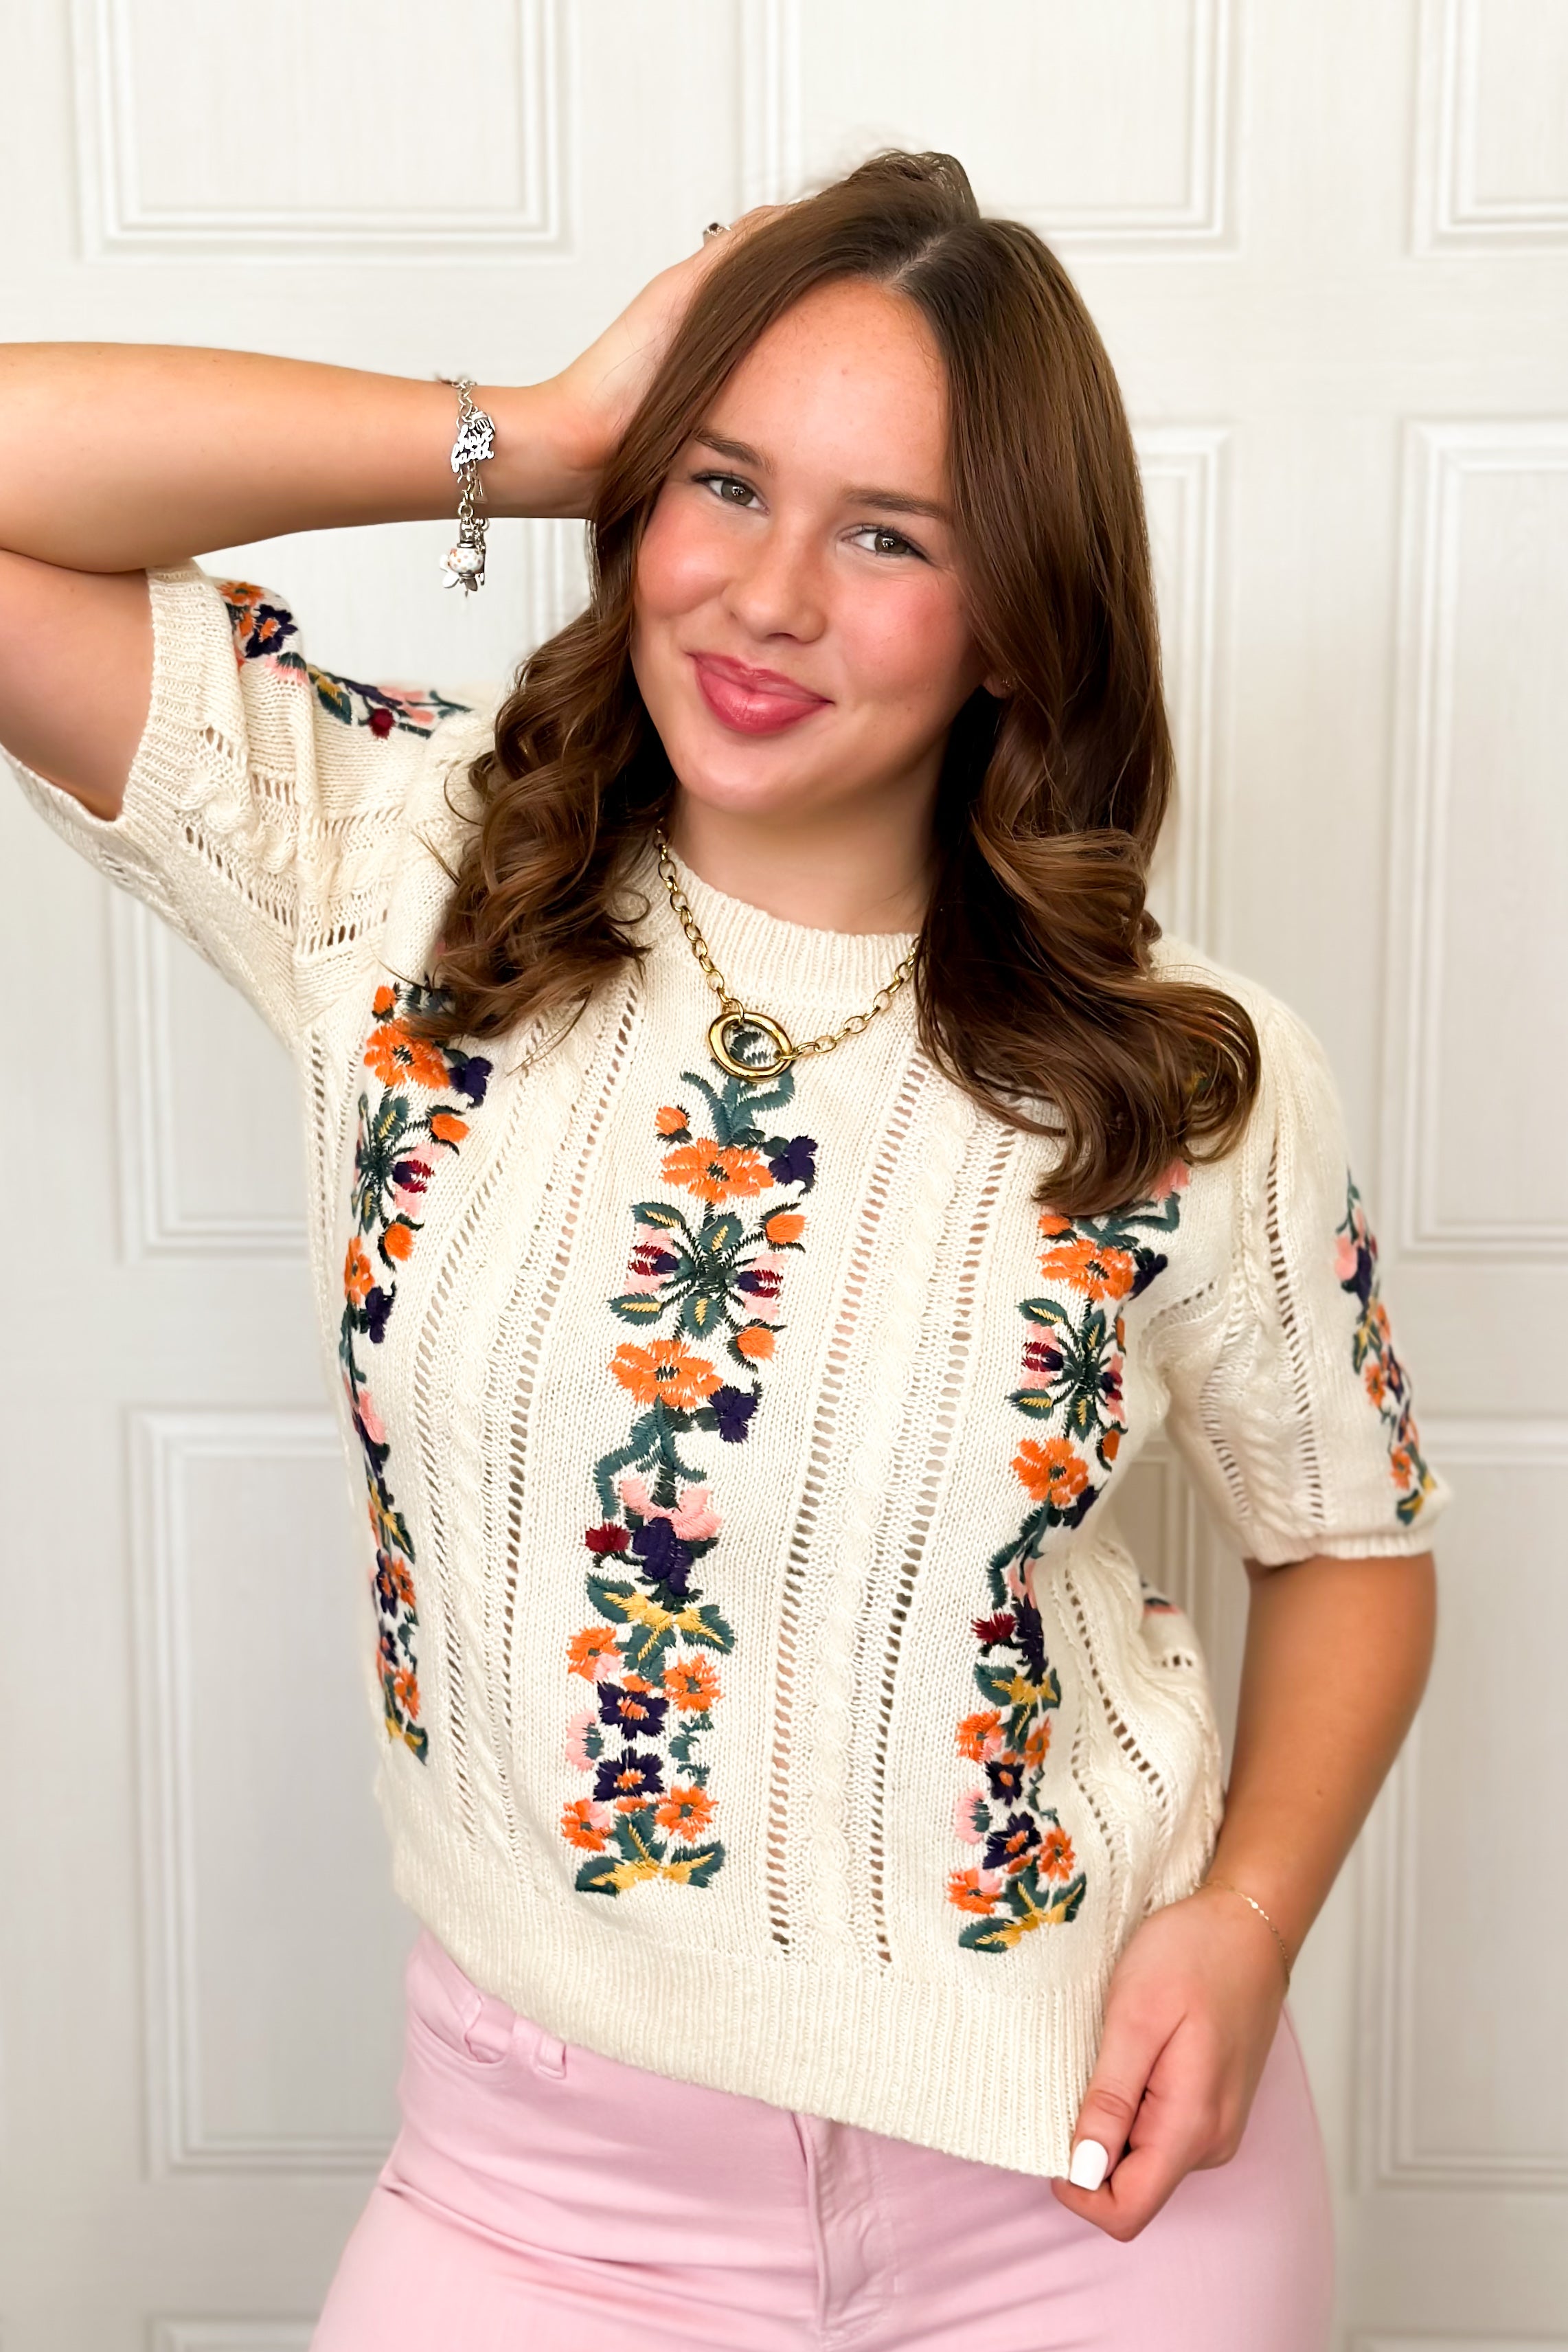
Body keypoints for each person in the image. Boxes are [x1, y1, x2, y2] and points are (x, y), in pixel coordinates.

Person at [1, 151, 1443, 2350]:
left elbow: (1348, 1544)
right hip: (537, 2203)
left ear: (1013, 617)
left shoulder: (1180, 1079)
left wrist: (1244, 1920)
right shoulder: (400, 878)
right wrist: (547, 424)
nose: (766, 598)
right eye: (723, 485)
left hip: (1087, 2196)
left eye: (888, 536)